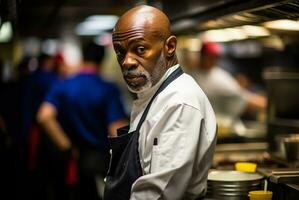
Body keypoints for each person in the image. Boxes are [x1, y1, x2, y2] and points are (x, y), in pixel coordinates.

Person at [103, 5, 217, 200]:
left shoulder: (179, 103)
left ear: (170, 47)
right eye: (120, 52)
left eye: (140, 49)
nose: (126, 62)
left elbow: (160, 194)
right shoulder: (154, 94)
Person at [37, 42, 128, 200]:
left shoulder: (63, 85)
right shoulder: (107, 89)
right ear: (102, 60)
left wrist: (66, 146)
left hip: (72, 160)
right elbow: (116, 129)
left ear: (82, 57)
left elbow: (44, 116)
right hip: (100, 160)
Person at [192, 42, 266, 121]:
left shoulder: (220, 75)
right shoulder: (193, 75)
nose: (213, 60)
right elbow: (244, 98)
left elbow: (243, 96)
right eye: (209, 57)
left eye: (215, 57)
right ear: (202, 56)